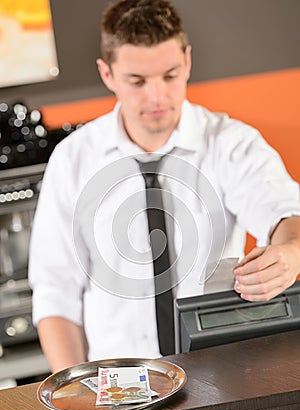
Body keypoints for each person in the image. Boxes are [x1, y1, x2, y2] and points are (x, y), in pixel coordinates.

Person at [29, 0, 300, 373]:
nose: (157, 97)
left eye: (170, 76)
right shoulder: (72, 160)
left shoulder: (231, 143)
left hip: (222, 375)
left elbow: (285, 214)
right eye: (137, 81)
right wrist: (77, 388)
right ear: (107, 74)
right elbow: (55, 293)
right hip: (116, 385)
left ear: (187, 61)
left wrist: (290, 253)